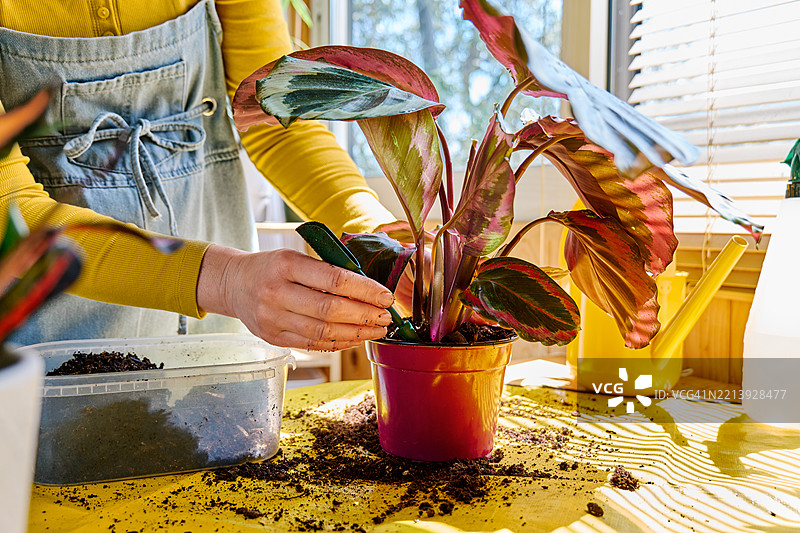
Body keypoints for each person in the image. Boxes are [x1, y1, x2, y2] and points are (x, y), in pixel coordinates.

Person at [0, 0, 398, 350]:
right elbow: (9, 208)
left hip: (216, 322)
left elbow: (277, 125)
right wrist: (225, 280)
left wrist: (377, 235)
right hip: (52, 335)